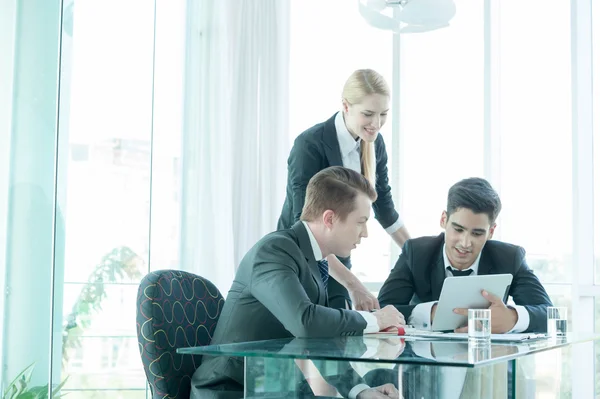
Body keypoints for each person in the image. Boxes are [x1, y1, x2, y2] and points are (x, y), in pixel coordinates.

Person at [191, 166, 405, 399]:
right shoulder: (274, 251)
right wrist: (375, 320)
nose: (365, 233)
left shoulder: (314, 261)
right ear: (330, 218)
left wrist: (362, 391)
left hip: (272, 389)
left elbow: (320, 342)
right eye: (360, 222)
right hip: (232, 390)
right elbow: (305, 322)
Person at [278, 69, 410, 311]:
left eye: (383, 114)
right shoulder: (309, 145)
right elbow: (304, 227)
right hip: (298, 258)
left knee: (343, 328)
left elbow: (385, 207)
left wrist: (416, 254)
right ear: (346, 106)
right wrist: (354, 284)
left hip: (336, 255)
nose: (377, 124)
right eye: (368, 114)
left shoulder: (374, 142)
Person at [378, 177, 553, 333]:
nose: (465, 243)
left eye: (477, 234)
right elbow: (380, 311)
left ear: (491, 232)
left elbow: (549, 314)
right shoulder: (416, 252)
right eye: (458, 229)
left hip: (487, 362)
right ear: (443, 220)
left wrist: (512, 318)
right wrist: (430, 313)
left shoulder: (510, 257)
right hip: (425, 362)